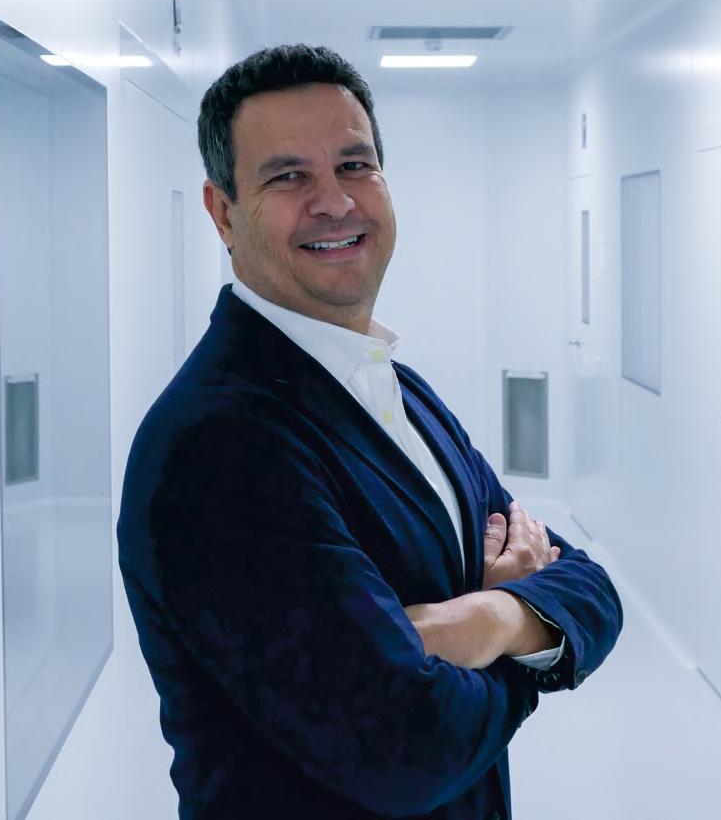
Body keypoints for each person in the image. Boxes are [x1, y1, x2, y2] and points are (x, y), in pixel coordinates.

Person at [117, 43, 624, 820]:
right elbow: (406, 745)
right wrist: (525, 635)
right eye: (289, 176)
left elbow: (589, 585)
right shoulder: (216, 445)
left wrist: (485, 618)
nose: (335, 201)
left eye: (355, 165)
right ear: (223, 213)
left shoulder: (396, 387)